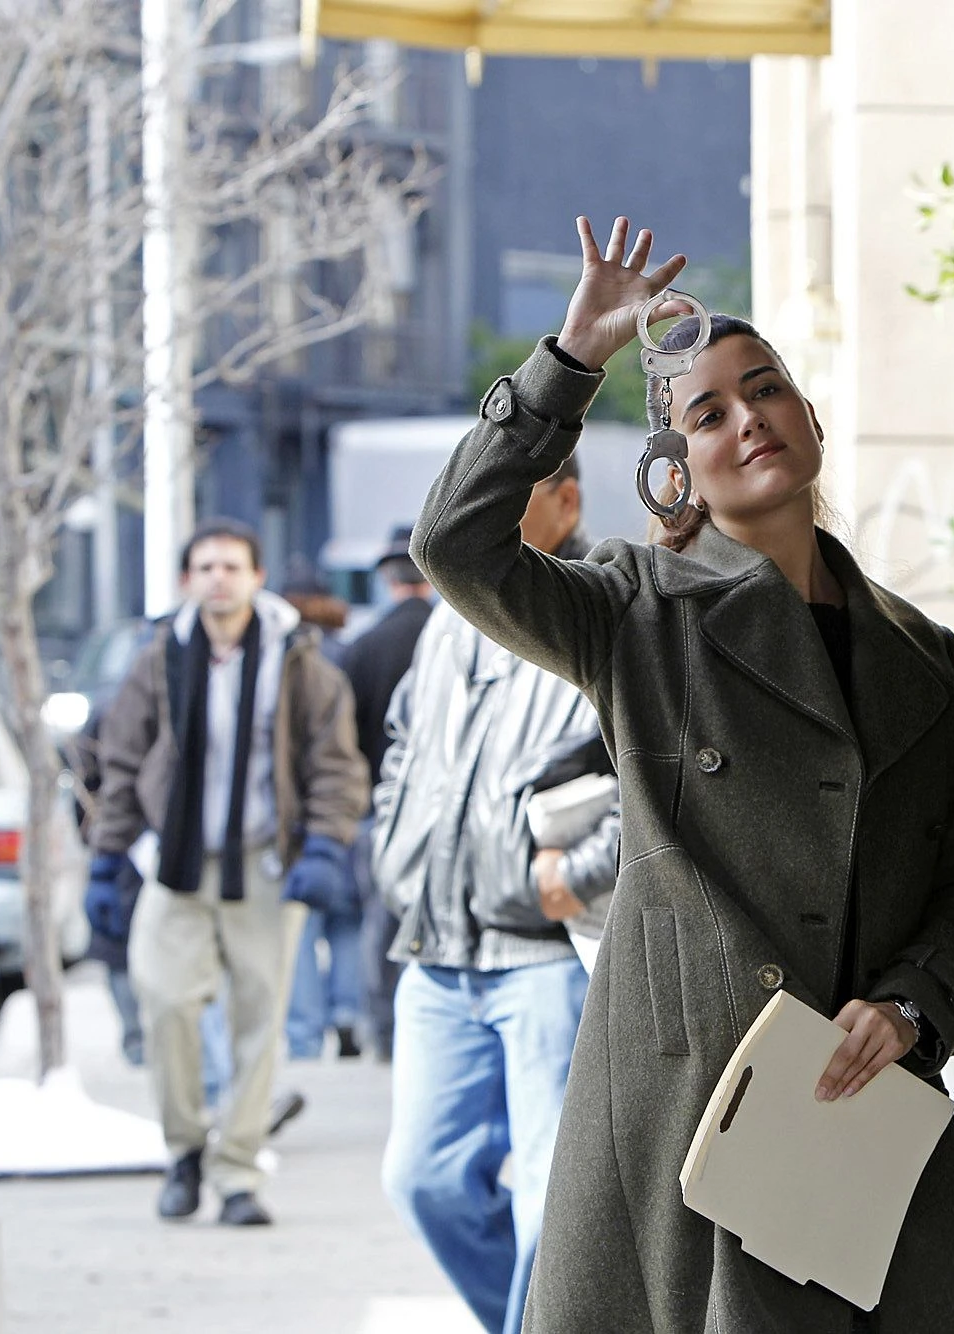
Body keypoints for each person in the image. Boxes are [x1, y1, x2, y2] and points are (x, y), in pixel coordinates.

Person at [410, 215, 954, 1333]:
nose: (747, 419)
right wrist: (571, 359)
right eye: (708, 412)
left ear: (811, 417)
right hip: (695, 1108)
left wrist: (910, 1005)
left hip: (861, 1103)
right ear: (674, 468)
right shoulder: (635, 610)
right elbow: (454, 543)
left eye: (766, 389)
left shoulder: (919, 650)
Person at [371, 457, 617, 1334]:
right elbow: (403, 744)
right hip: (436, 949)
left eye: (510, 494)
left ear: (567, 501)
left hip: (547, 957)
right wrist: (394, 851)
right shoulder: (447, 617)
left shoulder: (600, 609)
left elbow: (661, 778)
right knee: (422, 1180)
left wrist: (576, 874)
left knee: (553, 1206)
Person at [86, 519, 369, 1226]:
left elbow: (335, 765)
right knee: (165, 1003)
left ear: (256, 578)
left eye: (232, 566)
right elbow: (121, 762)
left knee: (259, 1020)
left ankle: (238, 1173)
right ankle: (184, 1148)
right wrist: (107, 859)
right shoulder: (159, 658)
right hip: (176, 863)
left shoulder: (298, 660)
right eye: (206, 566)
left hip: (263, 863)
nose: (218, 578)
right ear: (187, 580)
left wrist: (324, 847)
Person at [340, 528, 436, 1061]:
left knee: (380, 923)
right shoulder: (459, 632)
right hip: (448, 805)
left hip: (381, 802)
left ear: (386, 578)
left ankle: (385, 1031)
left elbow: (346, 736)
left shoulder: (365, 646)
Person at [280, 567, 366, 1059]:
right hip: (354, 805)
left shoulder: (294, 666)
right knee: (346, 921)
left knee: (302, 930)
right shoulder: (352, 651)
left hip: (306, 814)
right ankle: (347, 1013)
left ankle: (305, 1034)